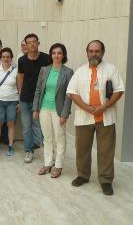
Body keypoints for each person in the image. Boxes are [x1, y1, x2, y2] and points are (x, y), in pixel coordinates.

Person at [67, 40, 124, 195]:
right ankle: (83, 175)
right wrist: (86, 107)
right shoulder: (80, 71)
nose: (94, 54)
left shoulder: (111, 69)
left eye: (97, 51)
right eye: (91, 51)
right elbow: (72, 92)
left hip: (105, 116)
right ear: (87, 52)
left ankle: (106, 180)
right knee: (82, 149)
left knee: (106, 150)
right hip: (84, 117)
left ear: (102, 52)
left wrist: (104, 107)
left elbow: (119, 91)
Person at [32, 43, 73, 178]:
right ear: (51, 55)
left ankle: (58, 165)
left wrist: (65, 114)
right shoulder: (44, 70)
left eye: (59, 53)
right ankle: (48, 163)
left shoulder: (68, 72)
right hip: (44, 108)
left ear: (63, 55)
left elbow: (69, 95)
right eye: (54, 53)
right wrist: (35, 108)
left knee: (59, 138)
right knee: (47, 138)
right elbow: (38, 90)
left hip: (59, 110)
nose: (56, 55)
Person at [17, 33, 51, 163]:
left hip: (42, 98)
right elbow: (20, 77)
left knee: (43, 125)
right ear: (26, 44)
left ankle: (47, 151)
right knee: (27, 127)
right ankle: (28, 151)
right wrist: (20, 94)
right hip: (26, 98)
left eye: (34, 41)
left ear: (38, 43)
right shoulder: (22, 60)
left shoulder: (46, 58)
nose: (32, 44)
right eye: (29, 42)